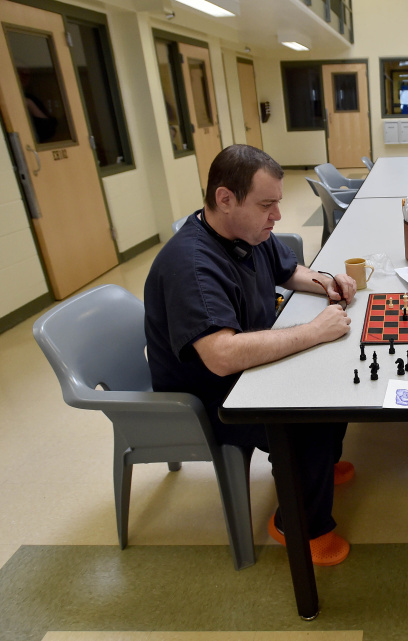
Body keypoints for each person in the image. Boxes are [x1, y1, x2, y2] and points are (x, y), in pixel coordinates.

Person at [144, 145, 357, 566]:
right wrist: (313, 331)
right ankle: (299, 525)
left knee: (336, 379)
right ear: (225, 199)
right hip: (209, 395)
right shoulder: (192, 264)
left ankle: (316, 472)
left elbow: (288, 271)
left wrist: (327, 282)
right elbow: (221, 357)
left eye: (277, 203)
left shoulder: (247, 231)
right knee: (307, 419)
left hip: (246, 369)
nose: (276, 216)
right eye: (266, 205)